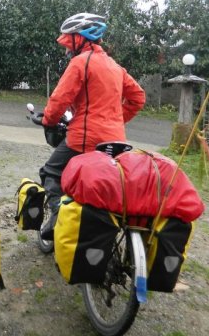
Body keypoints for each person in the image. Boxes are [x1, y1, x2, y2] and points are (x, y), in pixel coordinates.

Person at [39, 12, 146, 240]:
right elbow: (138, 97)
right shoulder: (115, 67)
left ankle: (58, 219)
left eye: (69, 41)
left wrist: (48, 121)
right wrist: (116, 119)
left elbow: (60, 99)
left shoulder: (81, 62)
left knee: (51, 171)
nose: (67, 48)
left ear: (81, 39)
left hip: (85, 138)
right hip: (116, 141)